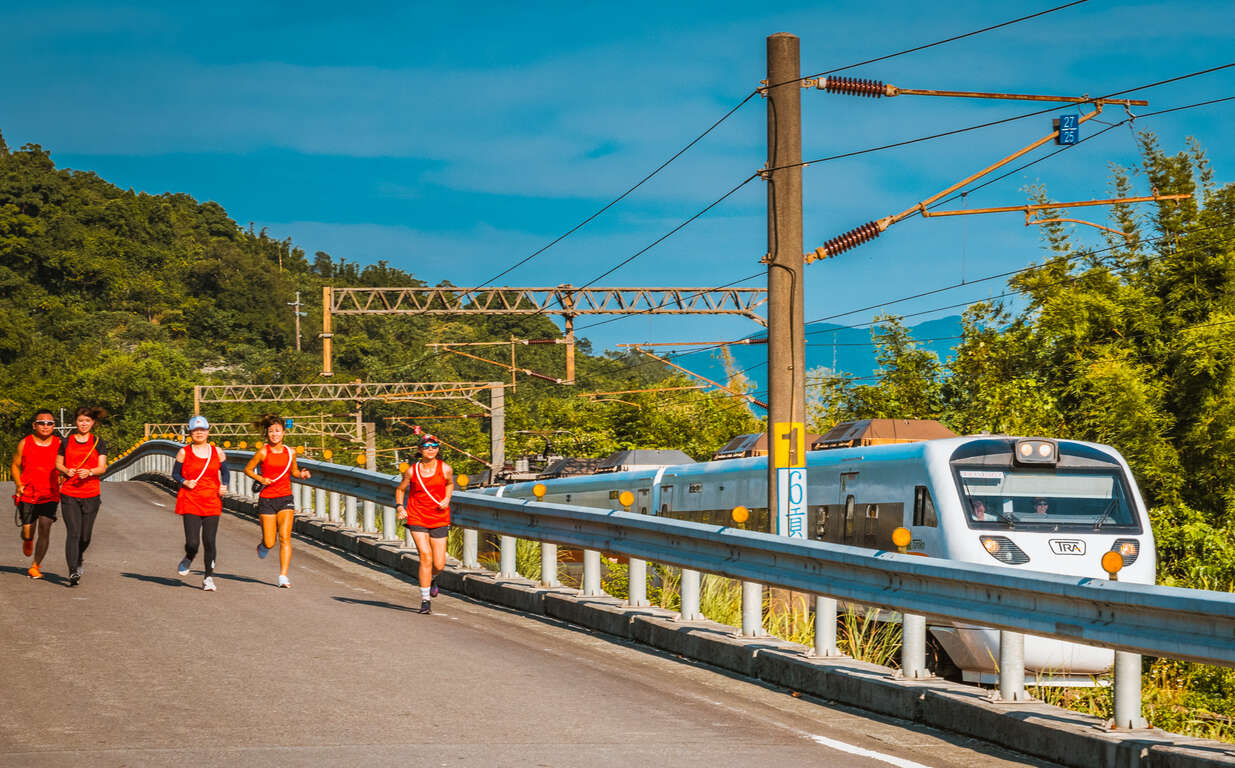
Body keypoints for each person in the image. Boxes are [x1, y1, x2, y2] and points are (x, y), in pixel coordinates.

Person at [243, 414, 309, 588]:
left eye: (277, 431)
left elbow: (293, 471)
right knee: (270, 541)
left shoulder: (291, 452)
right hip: (267, 500)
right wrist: (261, 478)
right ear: (267, 433)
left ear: (283, 433)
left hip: (285, 498)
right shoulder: (263, 452)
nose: (274, 434)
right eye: (271, 431)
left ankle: (283, 576)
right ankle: (263, 546)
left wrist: (301, 475)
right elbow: (248, 469)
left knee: (285, 538)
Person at [395, 434, 454, 614]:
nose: (431, 449)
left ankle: (432, 578)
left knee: (440, 563)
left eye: (434, 446)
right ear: (420, 450)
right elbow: (400, 489)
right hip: (417, 516)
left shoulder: (445, 468)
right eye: (427, 446)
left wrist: (447, 498)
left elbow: (450, 484)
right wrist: (399, 507)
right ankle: (425, 600)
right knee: (425, 555)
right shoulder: (412, 471)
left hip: (439, 517)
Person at [173, 416, 229, 591]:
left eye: (202, 430)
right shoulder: (184, 452)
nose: (199, 433)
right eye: (195, 430)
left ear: (208, 431)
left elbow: (225, 472)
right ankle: (189, 556)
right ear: (190, 432)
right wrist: (185, 481)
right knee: (193, 542)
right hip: (191, 500)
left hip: (212, 500)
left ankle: (208, 578)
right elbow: (175, 473)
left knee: (209, 541)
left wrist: (224, 485)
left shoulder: (217, 452)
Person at [54, 407, 108, 586]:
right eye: (80, 421)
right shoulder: (66, 441)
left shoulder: (99, 442)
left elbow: (102, 467)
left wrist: (90, 472)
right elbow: (58, 464)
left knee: (85, 536)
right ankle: (73, 571)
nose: (84, 424)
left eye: (87, 421)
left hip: (91, 494)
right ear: (75, 422)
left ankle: (78, 558)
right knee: (74, 533)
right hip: (69, 493)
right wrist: (66, 470)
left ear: (93, 423)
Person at [11, 409, 61, 579]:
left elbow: (65, 465)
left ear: (54, 426)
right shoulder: (25, 443)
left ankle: (35, 566)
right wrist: (19, 484)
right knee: (29, 531)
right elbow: (15, 465)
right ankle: (27, 539)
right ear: (34, 425)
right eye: (41, 423)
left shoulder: (59, 444)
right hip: (28, 493)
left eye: (50, 423)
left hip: (50, 494)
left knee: (45, 527)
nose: (45, 426)